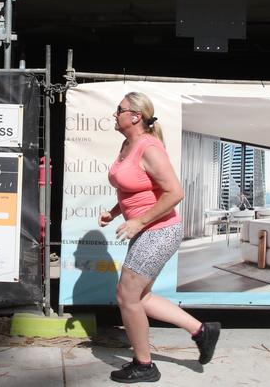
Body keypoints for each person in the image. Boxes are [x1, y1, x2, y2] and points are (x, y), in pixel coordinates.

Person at [99, 91, 220, 384]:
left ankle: (144, 365)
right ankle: (202, 330)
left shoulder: (149, 147)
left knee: (126, 296)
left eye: (120, 109)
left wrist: (138, 220)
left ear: (135, 116)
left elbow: (175, 193)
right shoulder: (127, 144)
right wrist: (116, 212)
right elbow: (135, 188)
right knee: (142, 297)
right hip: (145, 229)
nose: (115, 114)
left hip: (160, 230)